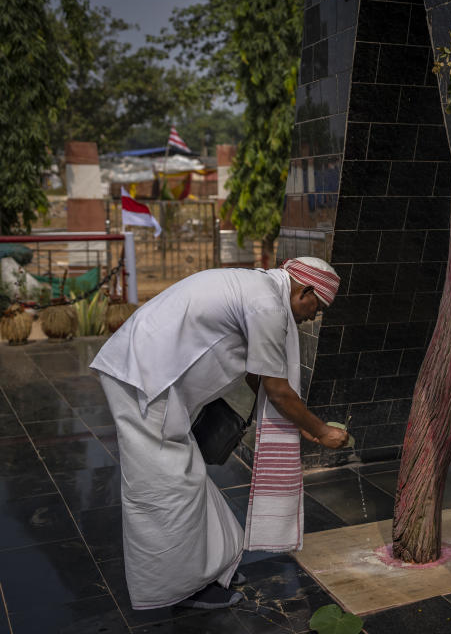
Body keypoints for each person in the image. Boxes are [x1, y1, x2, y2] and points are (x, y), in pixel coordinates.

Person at [90, 257, 350, 610]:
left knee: (186, 476)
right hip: (144, 379)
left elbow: (258, 375)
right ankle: (179, 588)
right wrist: (321, 430)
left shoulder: (261, 291)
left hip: (152, 374)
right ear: (304, 290)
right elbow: (276, 389)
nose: (312, 317)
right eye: (316, 307)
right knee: (167, 486)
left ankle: (212, 568)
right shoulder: (267, 304)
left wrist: (301, 423)